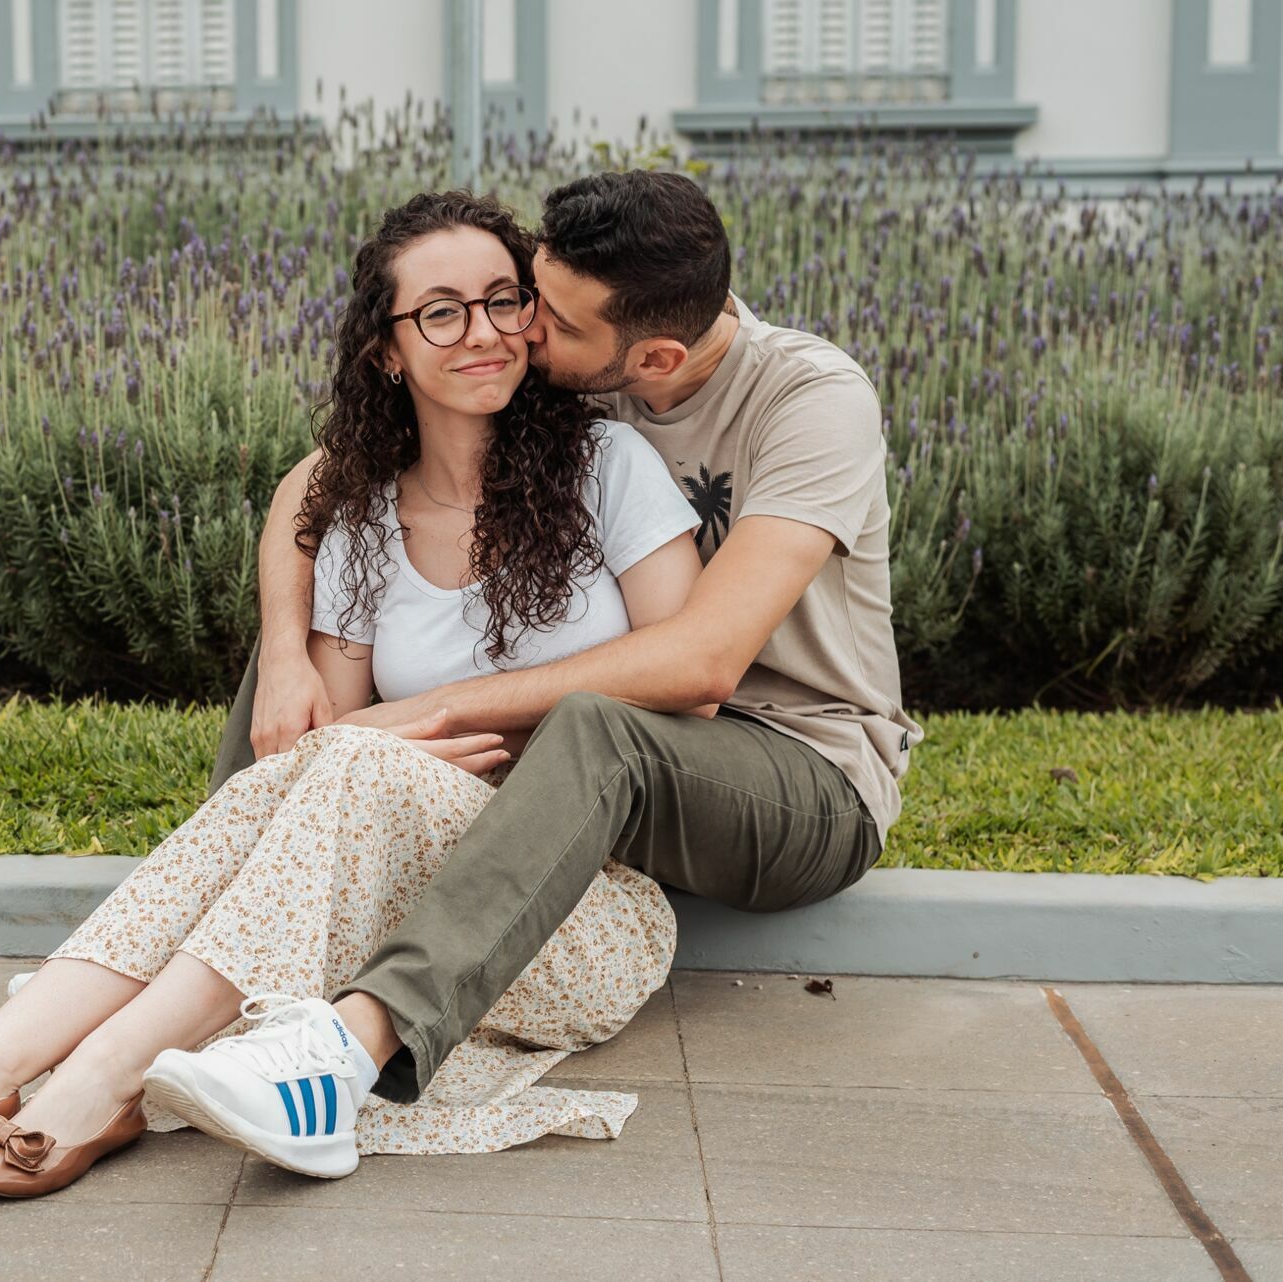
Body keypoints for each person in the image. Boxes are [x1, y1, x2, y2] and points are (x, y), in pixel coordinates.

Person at [0, 189, 708, 1196]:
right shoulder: (362, 522)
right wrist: (300, 663)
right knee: (341, 761)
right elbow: (324, 751)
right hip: (392, 902)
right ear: (387, 350)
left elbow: (686, 695)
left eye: (504, 300)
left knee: (357, 758)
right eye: (442, 312)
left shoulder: (609, 468)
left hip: (575, 917)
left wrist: (424, 726)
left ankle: (99, 1076)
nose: (485, 332)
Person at [155, 168, 923, 1171]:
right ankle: (186, 957)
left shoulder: (811, 399)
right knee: (302, 645)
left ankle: (344, 1055)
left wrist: (422, 713)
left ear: (651, 358)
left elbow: (702, 665)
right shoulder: (589, 356)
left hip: (798, 770)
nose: (517, 331)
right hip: (615, 755)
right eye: (529, 294)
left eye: (544, 318)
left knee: (596, 724)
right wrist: (288, 644)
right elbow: (319, 477)